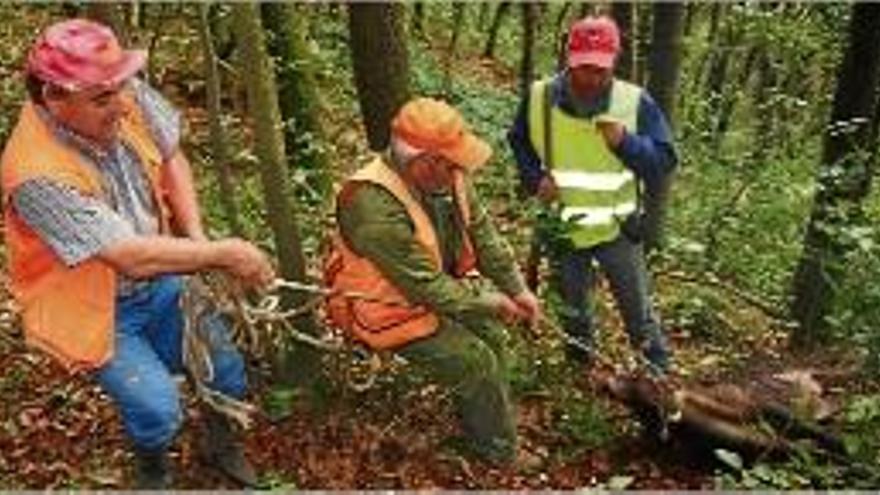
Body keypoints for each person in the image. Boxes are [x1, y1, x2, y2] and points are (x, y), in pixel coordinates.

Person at [1, 19, 275, 488]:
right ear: (54, 97)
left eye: (120, 88)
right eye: (102, 99)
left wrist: (195, 236)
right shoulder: (34, 174)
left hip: (163, 279)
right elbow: (128, 256)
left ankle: (219, 442)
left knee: (225, 369)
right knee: (155, 409)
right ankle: (152, 463)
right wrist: (222, 254)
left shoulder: (121, 93)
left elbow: (171, 155)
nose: (120, 104)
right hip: (95, 307)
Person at [324, 97, 542, 464]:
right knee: (475, 361)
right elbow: (421, 285)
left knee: (492, 337)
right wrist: (489, 301)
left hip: (435, 292)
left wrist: (517, 289)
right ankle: (498, 453)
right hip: (385, 310)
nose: (460, 169)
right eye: (451, 161)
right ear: (423, 162)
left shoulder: (451, 177)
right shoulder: (370, 204)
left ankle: (490, 422)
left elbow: (484, 237)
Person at [507, 15, 677, 374]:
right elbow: (518, 140)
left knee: (638, 313)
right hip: (565, 228)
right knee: (575, 314)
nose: (591, 78)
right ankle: (581, 378)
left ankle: (660, 380)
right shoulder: (539, 97)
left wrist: (625, 142)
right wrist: (533, 178)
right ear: (569, 59)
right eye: (584, 67)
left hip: (618, 228)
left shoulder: (635, 102)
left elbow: (663, 161)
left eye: (600, 69)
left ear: (614, 62)